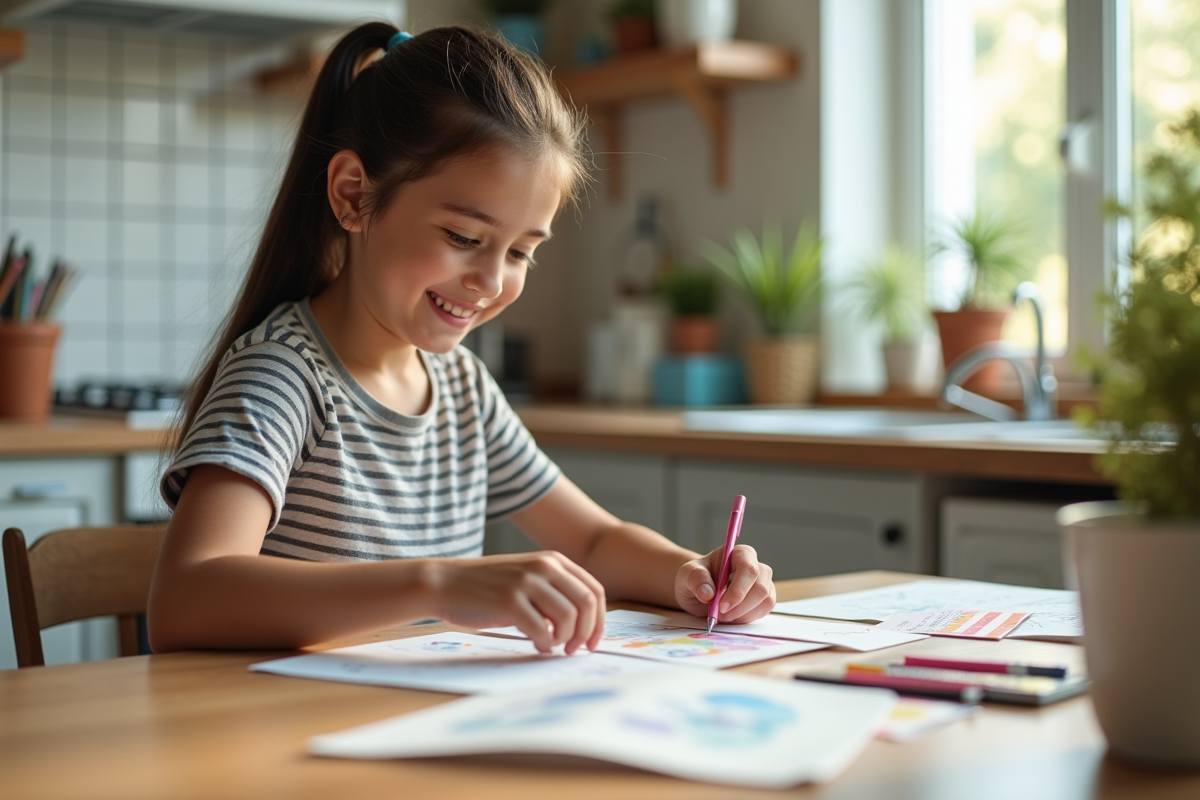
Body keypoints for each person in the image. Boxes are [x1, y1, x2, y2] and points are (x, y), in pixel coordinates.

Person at [148, 23, 776, 656]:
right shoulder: (281, 376)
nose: (491, 281)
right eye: (464, 238)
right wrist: (438, 584)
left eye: (521, 252)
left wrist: (690, 574)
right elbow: (185, 600)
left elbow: (591, 540)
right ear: (353, 195)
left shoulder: (462, 388)